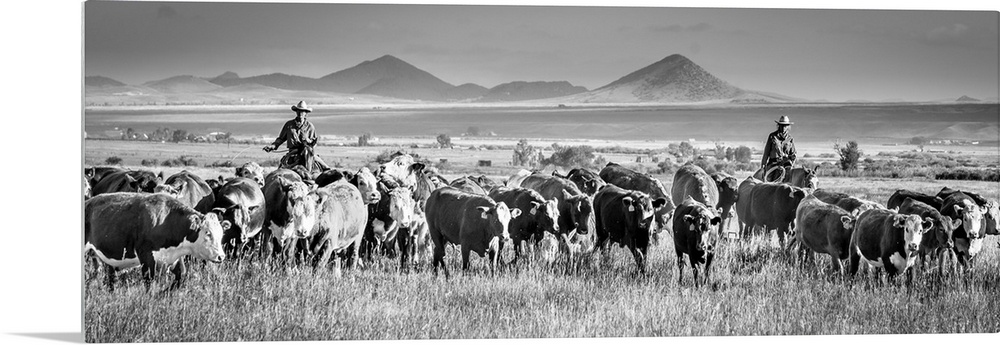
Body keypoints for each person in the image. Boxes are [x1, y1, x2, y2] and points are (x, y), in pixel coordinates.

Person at [262, 101, 329, 174]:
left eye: (302, 111)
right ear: (296, 112)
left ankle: (329, 173)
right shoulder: (289, 125)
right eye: (298, 111)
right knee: (281, 170)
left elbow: (314, 142)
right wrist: (272, 146)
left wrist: (309, 148)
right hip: (293, 152)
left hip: (307, 152)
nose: (300, 113)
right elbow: (281, 139)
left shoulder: (310, 127)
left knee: (323, 166)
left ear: (306, 114)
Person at [760, 115, 797, 182]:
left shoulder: (790, 139)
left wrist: (791, 162)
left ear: (788, 127)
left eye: (785, 126)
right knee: (768, 180)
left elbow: (793, 154)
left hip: (786, 164)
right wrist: (763, 165)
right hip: (773, 163)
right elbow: (766, 152)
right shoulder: (772, 136)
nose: (783, 128)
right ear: (778, 125)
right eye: (781, 125)